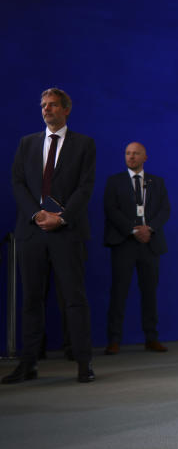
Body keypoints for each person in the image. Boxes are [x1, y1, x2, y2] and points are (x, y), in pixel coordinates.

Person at [4, 88, 96, 384]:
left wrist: (61, 217)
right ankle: (28, 364)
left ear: (66, 109)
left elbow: (85, 187)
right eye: (43, 105)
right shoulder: (27, 143)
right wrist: (37, 214)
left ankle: (84, 363)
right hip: (32, 233)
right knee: (31, 300)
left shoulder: (84, 144)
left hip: (67, 233)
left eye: (53, 105)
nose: (46, 109)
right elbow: (18, 183)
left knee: (74, 299)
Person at [103, 142, 171, 355]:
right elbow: (111, 210)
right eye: (128, 153)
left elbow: (164, 210)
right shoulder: (114, 182)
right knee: (119, 293)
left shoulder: (157, 182)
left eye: (135, 154)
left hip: (150, 244)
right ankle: (114, 340)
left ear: (145, 158)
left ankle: (151, 338)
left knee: (149, 293)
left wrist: (148, 228)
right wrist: (133, 230)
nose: (131, 157)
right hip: (124, 244)